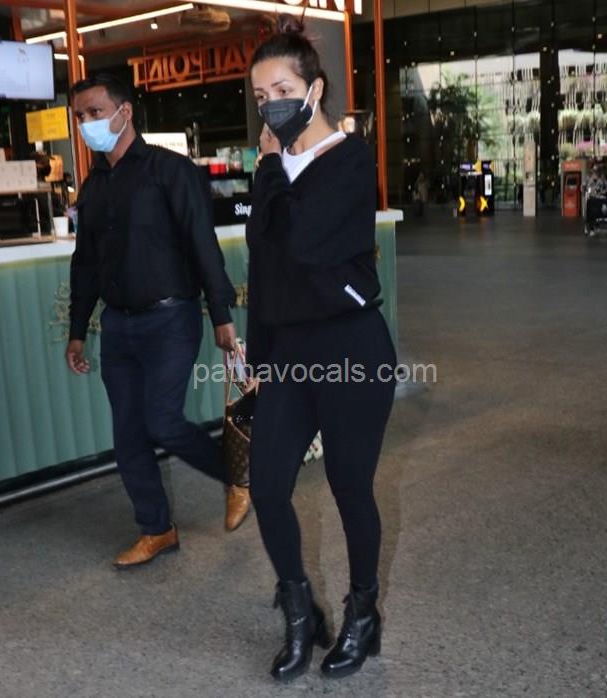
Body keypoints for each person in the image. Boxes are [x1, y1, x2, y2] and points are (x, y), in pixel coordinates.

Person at [246, 16, 397, 682]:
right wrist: (257, 360)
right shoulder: (273, 167)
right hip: (287, 350)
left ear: (315, 89)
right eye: (260, 96)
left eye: (282, 90)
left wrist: (270, 167)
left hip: (349, 346)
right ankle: (301, 612)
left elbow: (305, 244)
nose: (270, 104)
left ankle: (363, 613)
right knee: (267, 485)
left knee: (348, 485)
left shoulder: (348, 158)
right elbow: (263, 265)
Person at [65, 73, 239, 568]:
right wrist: (78, 331)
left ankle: (239, 475)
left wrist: (221, 314)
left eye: (95, 112)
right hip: (118, 327)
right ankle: (156, 529)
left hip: (170, 319)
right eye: (80, 116)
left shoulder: (170, 170)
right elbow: (86, 264)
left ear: (125, 112)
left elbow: (202, 243)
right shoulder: (93, 187)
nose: (87, 123)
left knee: (162, 420)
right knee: (128, 434)